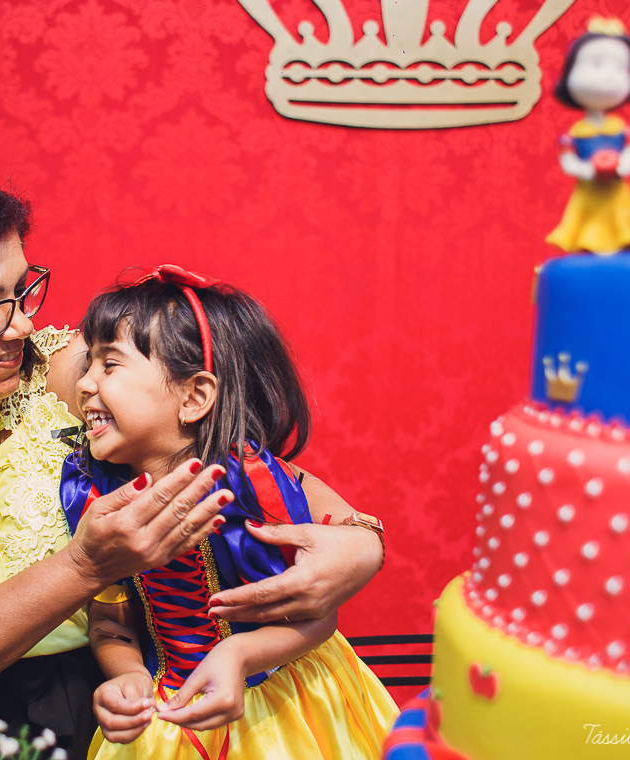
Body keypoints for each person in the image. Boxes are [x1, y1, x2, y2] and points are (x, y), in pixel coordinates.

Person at [0, 162, 386, 760]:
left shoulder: (67, 371)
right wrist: (83, 567)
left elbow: (230, 464)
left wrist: (361, 544)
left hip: (124, 715)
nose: (23, 323)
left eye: (23, 289)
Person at [60, 266, 398, 760]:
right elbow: (110, 620)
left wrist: (240, 654)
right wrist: (127, 676)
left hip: (283, 708)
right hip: (168, 716)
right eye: (87, 364)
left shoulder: (251, 484)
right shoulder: (94, 495)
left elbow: (319, 615)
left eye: (109, 365)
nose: (84, 384)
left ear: (194, 397)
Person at [546, 17, 630, 255]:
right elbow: (568, 161)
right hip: (588, 193)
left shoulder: (623, 129)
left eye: (620, 68)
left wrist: (624, 165)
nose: (609, 76)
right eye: (596, 64)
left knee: (625, 230)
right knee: (587, 235)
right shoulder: (573, 135)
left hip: (616, 191)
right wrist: (585, 169)